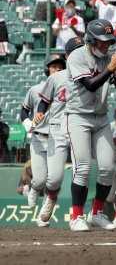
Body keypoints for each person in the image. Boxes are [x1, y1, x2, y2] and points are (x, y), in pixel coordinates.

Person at [65, 19, 116, 231]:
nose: (106, 45)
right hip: (78, 116)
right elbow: (91, 85)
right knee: (82, 168)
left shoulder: (109, 58)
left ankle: (97, 213)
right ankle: (76, 216)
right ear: (91, 40)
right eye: (102, 41)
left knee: (107, 168)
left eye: (108, 42)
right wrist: (111, 68)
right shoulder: (77, 56)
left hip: (101, 117)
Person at [36, 37, 85, 226]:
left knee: (80, 173)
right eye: (76, 51)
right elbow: (44, 101)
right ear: (68, 56)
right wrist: (40, 112)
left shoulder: (89, 75)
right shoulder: (56, 77)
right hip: (57, 128)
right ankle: (51, 196)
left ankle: (77, 214)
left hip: (79, 127)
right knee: (54, 178)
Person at [20, 54, 66, 218]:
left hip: (58, 137)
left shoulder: (66, 89)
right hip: (39, 138)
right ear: (47, 69)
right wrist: (26, 122)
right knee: (39, 180)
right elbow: (24, 110)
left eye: (60, 67)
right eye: (53, 66)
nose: (57, 69)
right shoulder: (35, 89)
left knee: (53, 179)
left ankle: (45, 211)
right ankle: (32, 188)